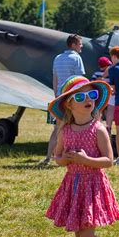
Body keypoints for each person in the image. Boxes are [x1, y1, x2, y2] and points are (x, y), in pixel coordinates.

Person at [46, 75, 119, 237]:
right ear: (70, 105)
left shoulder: (98, 129)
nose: (88, 99)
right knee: (79, 233)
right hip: (73, 185)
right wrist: (65, 159)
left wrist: (85, 159)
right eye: (80, 97)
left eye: (92, 95)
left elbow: (109, 160)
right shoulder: (65, 131)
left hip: (92, 186)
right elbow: (58, 158)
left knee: (87, 235)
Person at [41, 34, 86, 165]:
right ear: (73, 45)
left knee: (57, 129)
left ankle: (49, 157)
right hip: (73, 98)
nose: (81, 46)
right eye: (79, 44)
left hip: (60, 98)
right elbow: (80, 81)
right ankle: (76, 156)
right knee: (78, 127)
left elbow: (55, 79)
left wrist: (57, 95)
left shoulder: (58, 58)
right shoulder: (77, 58)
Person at [92, 57, 115, 135]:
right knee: (109, 112)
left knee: (99, 111)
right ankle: (108, 127)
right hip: (110, 95)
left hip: (100, 95)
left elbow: (92, 83)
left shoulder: (96, 73)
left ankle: (98, 127)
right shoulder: (111, 73)